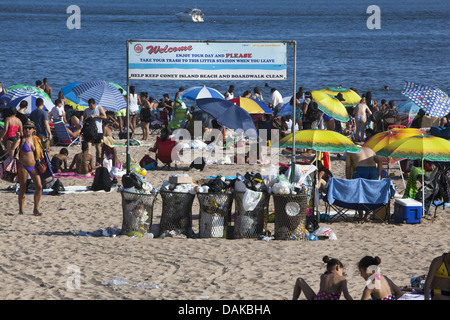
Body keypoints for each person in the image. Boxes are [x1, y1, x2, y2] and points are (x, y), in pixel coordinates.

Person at [14, 121, 43, 216]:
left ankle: (35, 209)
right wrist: (17, 139)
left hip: (34, 166)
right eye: (26, 128)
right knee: (23, 187)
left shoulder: (36, 139)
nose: (27, 130)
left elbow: (39, 152)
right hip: (23, 166)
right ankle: (21, 209)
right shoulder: (22, 140)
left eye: (30, 128)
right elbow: (12, 149)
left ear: (33, 130)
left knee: (39, 187)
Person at [82, 98, 107, 165]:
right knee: (88, 147)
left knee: (98, 147)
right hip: (89, 131)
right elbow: (83, 119)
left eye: (91, 106)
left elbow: (104, 117)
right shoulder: (86, 110)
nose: (90, 107)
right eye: (89, 106)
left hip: (98, 130)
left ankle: (97, 161)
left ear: (94, 104)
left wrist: (95, 116)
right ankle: (88, 162)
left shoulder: (99, 108)